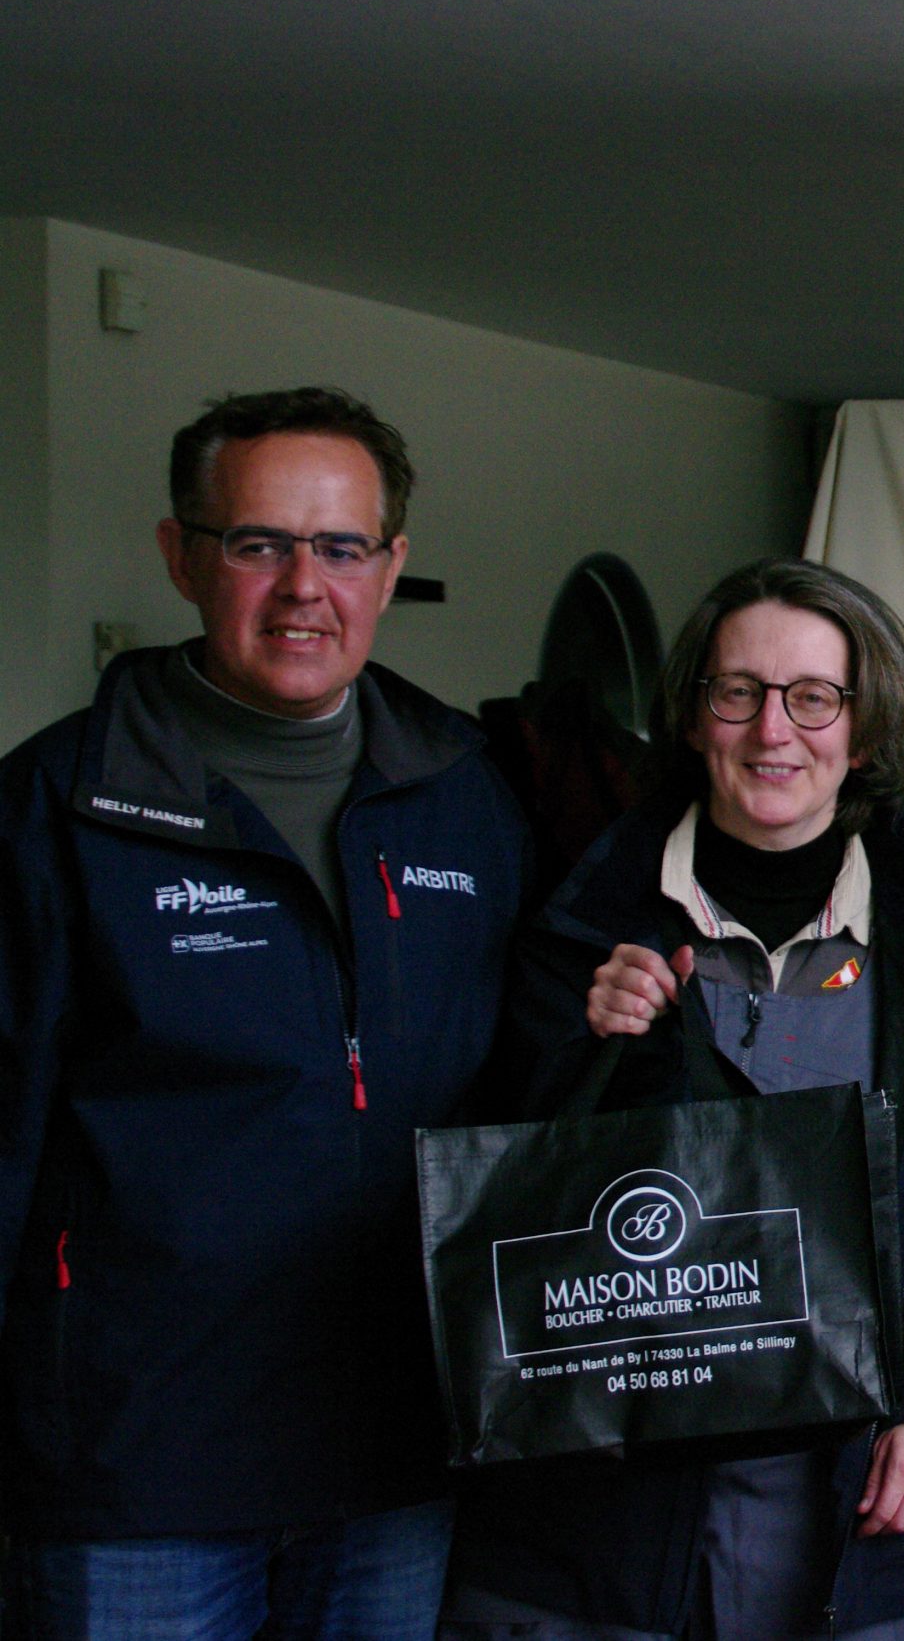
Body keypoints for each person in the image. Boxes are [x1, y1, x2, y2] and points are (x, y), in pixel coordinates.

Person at [0, 387, 527, 1638]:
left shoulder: (464, 793)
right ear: (180, 556)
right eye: (258, 544)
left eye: (341, 547)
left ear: (389, 567)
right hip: (140, 1466)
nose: (304, 588)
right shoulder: (54, 806)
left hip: (399, 1449)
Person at [441, 557, 904, 1641]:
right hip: (611, 1500)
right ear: (695, 717)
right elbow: (493, 1208)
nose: (772, 731)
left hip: (856, 1483)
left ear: (866, 730)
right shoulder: (576, 920)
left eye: (813, 697)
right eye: (738, 692)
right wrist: (588, 1050)